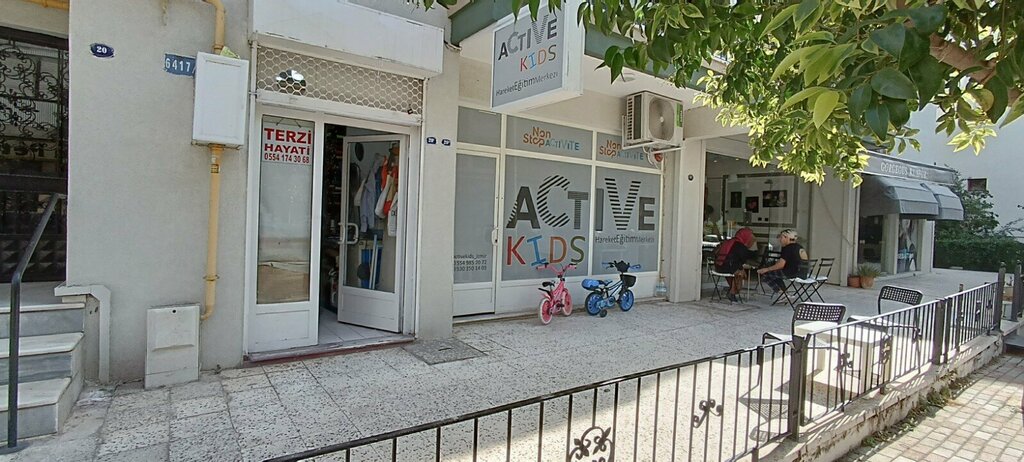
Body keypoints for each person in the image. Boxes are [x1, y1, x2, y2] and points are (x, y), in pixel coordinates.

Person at [714, 227, 757, 302]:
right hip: (728, 268)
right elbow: (744, 258)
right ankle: (732, 292)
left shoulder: (728, 241)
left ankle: (732, 290)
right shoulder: (739, 245)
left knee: (737, 270)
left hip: (718, 267)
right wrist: (754, 246)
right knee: (740, 272)